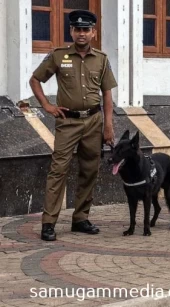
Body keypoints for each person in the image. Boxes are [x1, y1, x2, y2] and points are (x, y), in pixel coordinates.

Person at [30, 10, 117, 241]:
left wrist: (108, 125)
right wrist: (47, 105)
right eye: (77, 29)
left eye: (86, 30)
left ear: (93, 33)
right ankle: (49, 223)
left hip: (93, 121)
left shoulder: (102, 59)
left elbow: (107, 93)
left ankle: (80, 218)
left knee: (90, 170)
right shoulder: (58, 56)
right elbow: (35, 79)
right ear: (71, 31)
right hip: (67, 122)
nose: (81, 33)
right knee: (58, 171)